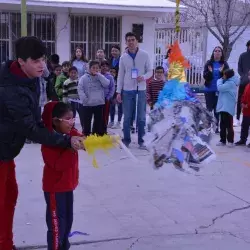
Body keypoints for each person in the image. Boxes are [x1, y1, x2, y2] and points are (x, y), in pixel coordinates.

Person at [0, 36, 83, 250]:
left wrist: (63, 122)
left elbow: (38, 116)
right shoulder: (10, 90)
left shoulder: (32, 76)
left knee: (9, 197)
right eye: (36, 61)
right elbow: (30, 129)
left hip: (6, 151)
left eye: (43, 59)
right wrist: (66, 140)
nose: (42, 65)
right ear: (21, 61)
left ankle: (6, 243)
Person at [41, 101, 82, 250]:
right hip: (54, 189)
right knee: (57, 226)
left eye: (73, 118)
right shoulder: (48, 142)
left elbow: (83, 138)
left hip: (67, 187)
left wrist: (105, 141)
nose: (72, 122)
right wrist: (71, 149)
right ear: (55, 120)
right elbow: (59, 165)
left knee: (67, 223)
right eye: (68, 119)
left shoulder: (71, 133)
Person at [116, 32, 153, 149]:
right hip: (127, 90)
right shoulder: (123, 57)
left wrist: (144, 77)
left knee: (141, 117)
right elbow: (120, 75)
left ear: (137, 41)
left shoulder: (144, 55)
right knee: (127, 117)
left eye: (133, 39)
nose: (131, 42)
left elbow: (150, 71)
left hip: (141, 89)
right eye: (128, 40)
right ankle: (126, 139)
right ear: (126, 42)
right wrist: (118, 92)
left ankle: (142, 141)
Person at [78, 60, 110, 136]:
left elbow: (107, 84)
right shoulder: (83, 78)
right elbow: (80, 89)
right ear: (89, 68)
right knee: (87, 121)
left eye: (97, 68)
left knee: (98, 121)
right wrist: (84, 99)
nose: (95, 69)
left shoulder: (100, 77)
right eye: (93, 68)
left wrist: (99, 75)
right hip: (87, 104)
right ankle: (86, 135)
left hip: (99, 103)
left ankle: (95, 135)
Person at [203, 46, 229, 134]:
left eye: (219, 51)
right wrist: (210, 72)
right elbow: (205, 76)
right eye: (215, 51)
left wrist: (222, 72)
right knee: (209, 109)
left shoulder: (224, 64)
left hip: (219, 91)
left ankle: (216, 127)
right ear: (213, 53)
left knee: (217, 110)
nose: (217, 52)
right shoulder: (209, 63)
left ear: (221, 54)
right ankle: (208, 127)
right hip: (209, 90)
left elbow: (228, 77)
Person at [216, 69, 238, 147]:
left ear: (228, 76)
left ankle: (230, 141)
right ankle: (222, 140)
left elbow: (220, 88)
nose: (223, 76)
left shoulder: (231, 83)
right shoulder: (227, 82)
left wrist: (219, 80)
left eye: (224, 75)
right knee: (222, 124)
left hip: (228, 107)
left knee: (229, 125)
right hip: (223, 107)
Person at [235, 40, 250, 127]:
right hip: (243, 82)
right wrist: (244, 76)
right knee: (241, 99)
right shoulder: (243, 55)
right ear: (248, 46)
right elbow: (239, 68)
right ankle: (237, 118)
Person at [235, 70, 250, 147]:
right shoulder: (247, 85)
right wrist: (242, 103)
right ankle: (243, 140)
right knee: (244, 126)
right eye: (249, 75)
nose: (249, 76)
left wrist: (247, 105)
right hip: (246, 111)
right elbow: (243, 95)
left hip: (248, 108)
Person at [100, 61, 115, 134]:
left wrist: (109, 97)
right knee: (98, 115)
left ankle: (104, 130)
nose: (104, 67)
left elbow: (112, 88)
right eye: (103, 66)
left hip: (106, 99)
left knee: (105, 115)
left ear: (108, 68)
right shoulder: (97, 75)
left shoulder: (110, 77)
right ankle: (97, 130)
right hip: (97, 100)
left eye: (106, 66)